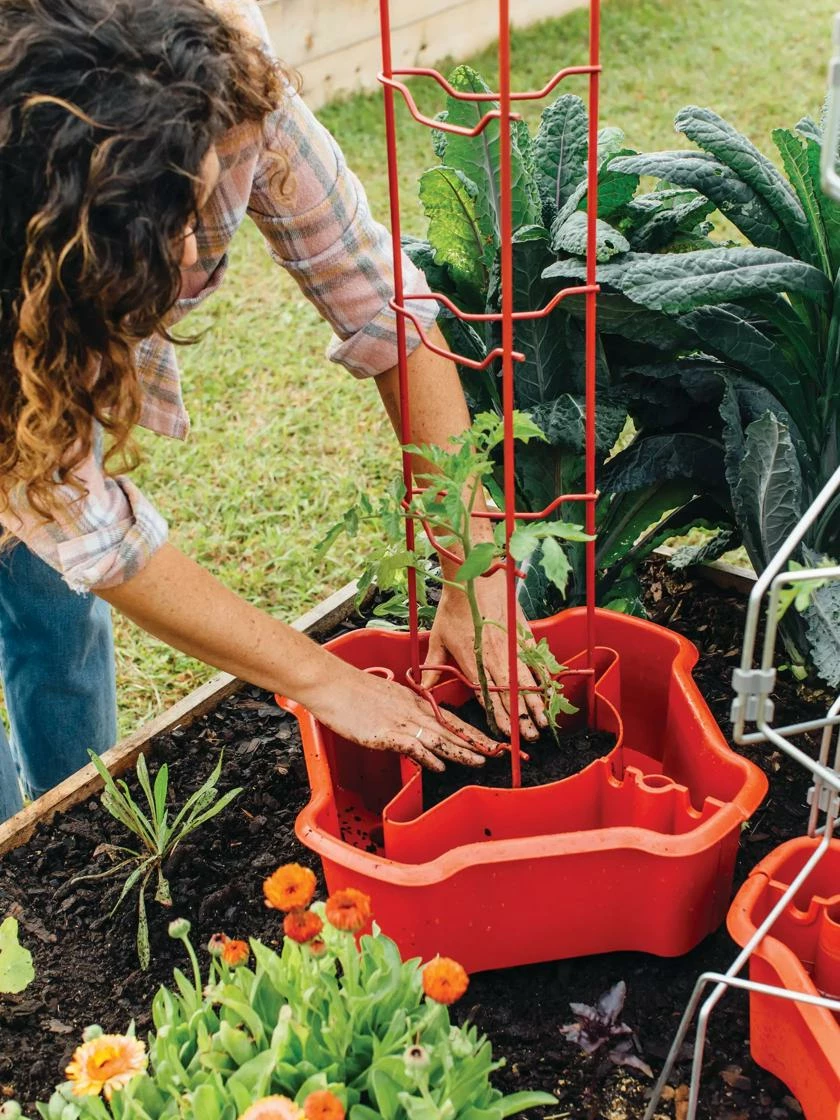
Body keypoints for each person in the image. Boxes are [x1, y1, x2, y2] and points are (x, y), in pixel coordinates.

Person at [0, 0, 548, 822]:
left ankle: (74, 818)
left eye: (196, 203)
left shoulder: (219, 74)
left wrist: (473, 573)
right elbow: (88, 522)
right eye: (156, 225)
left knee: (54, 611)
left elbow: (383, 306)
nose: (193, 254)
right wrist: (323, 679)